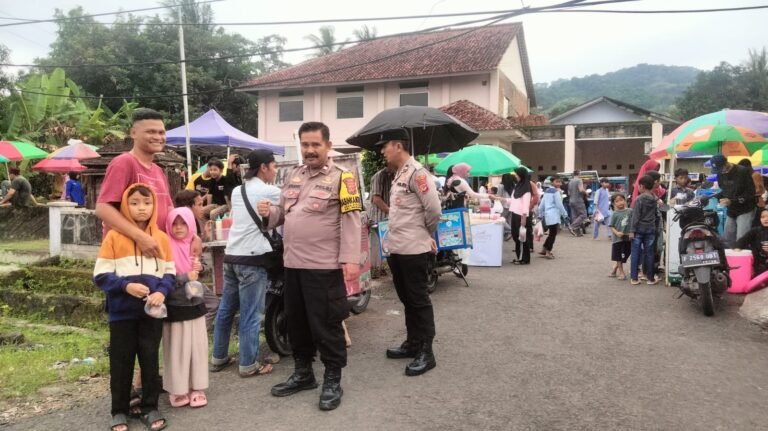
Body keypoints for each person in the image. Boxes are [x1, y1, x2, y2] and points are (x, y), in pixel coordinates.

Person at [258, 122, 361, 411]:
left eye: (316, 144)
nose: (310, 150)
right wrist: (269, 213)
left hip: (323, 266)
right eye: (305, 145)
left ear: (327, 146)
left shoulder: (345, 178)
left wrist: (350, 259)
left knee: (327, 324)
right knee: (297, 322)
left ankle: (332, 379)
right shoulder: (293, 176)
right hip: (292, 264)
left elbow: (352, 221)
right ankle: (304, 373)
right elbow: (282, 216)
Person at [93, 184, 174, 431]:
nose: (142, 208)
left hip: (151, 313)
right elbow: (100, 275)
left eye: (147, 203)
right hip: (121, 314)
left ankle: (150, 407)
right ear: (125, 206)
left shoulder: (160, 238)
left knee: (150, 360)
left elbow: (169, 272)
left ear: (154, 206)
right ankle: (119, 410)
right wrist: (126, 286)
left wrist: (161, 291)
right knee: (121, 361)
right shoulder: (114, 237)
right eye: (135, 203)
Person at [377, 129, 442, 377]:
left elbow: (433, 210)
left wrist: (425, 234)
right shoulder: (399, 175)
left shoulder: (418, 174)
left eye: (385, 147)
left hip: (414, 249)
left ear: (398, 146)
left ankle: (426, 351)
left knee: (418, 300)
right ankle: (413, 342)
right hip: (397, 248)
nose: (382, 151)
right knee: (407, 299)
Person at [210, 149, 280, 378]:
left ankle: (218, 358)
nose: (275, 171)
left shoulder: (238, 191)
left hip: (231, 257)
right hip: (252, 260)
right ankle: (248, 364)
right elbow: (289, 206)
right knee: (252, 314)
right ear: (264, 167)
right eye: (274, 166)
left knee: (226, 310)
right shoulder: (270, 190)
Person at [95, 108, 174, 255]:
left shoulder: (158, 170)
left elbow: (168, 208)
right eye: (151, 132)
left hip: (153, 252)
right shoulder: (123, 163)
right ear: (133, 133)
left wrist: (189, 233)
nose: (158, 137)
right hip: (127, 254)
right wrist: (140, 237)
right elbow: (103, 208)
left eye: (161, 132)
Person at [162, 207, 209, 409]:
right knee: (176, 349)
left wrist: (201, 268)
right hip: (174, 304)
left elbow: (204, 268)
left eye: (183, 223)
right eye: (175, 224)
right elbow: (161, 278)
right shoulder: (163, 246)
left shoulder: (194, 243)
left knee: (197, 348)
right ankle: (177, 389)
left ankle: (197, 387)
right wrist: (184, 277)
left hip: (195, 302)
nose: (179, 228)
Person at [710, 154, 757, 244]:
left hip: (745, 209)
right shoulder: (720, 174)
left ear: (726, 163)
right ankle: (728, 257)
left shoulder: (742, 171)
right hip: (731, 210)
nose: (720, 172)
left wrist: (732, 201)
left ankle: (743, 257)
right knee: (727, 238)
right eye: (717, 170)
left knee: (742, 239)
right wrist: (716, 197)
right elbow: (724, 190)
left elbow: (751, 193)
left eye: (720, 169)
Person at [629, 175, 660, 285]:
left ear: (641, 186)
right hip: (651, 229)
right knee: (649, 253)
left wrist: (631, 230)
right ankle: (650, 278)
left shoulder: (639, 199)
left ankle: (634, 278)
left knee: (635, 253)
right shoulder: (654, 199)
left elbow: (635, 216)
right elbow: (656, 215)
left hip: (638, 229)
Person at [368, 165, 395, 272]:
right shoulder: (379, 176)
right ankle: (379, 270)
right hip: (380, 219)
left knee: (391, 248)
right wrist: (392, 212)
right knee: (388, 249)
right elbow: (376, 199)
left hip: (389, 218)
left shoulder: (397, 175)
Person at [537, 175, 568, 259]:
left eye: (559, 181)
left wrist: (540, 214)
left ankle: (544, 249)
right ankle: (548, 251)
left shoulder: (547, 191)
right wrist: (565, 214)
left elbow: (541, 205)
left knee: (551, 233)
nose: (559, 183)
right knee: (553, 234)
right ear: (552, 182)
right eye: (556, 181)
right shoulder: (555, 192)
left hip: (547, 215)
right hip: (554, 215)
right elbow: (559, 205)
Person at [735, 208, 768, 276]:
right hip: (758, 264)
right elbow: (742, 241)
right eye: (763, 217)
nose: (765, 219)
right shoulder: (755, 231)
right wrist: (737, 248)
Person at [609, 193, 632, 280]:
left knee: (626, 254)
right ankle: (621, 273)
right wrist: (617, 232)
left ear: (625, 200)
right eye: (617, 201)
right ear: (614, 203)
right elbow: (611, 226)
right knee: (618, 256)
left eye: (621, 200)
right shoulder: (614, 214)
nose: (620, 203)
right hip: (617, 239)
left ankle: (615, 268)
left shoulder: (630, 211)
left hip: (627, 238)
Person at [567, 170, 588, 236]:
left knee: (575, 216)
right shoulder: (579, 180)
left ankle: (578, 232)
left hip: (571, 200)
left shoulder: (570, 181)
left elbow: (569, 193)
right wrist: (586, 192)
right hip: (578, 200)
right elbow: (581, 189)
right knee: (583, 215)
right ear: (579, 174)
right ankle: (572, 226)